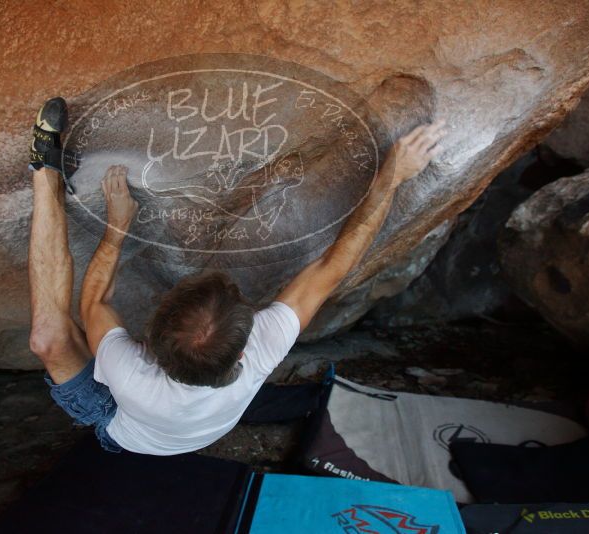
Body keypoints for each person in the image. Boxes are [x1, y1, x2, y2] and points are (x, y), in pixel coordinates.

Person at [27, 96, 446, 454]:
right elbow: (333, 267)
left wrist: (117, 225)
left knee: (48, 338)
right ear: (243, 353)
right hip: (183, 425)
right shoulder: (263, 349)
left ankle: (45, 172)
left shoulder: (128, 372)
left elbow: (95, 301)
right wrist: (391, 176)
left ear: (148, 341)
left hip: (120, 426)